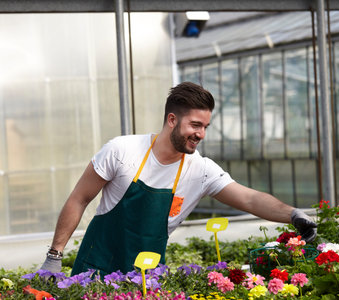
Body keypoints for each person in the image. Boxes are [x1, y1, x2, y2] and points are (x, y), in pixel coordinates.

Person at [40, 82, 317, 276]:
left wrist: (292, 214)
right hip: (95, 270)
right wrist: (55, 256)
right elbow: (79, 199)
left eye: (205, 127)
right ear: (172, 120)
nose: (201, 134)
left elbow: (249, 198)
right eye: (195, 125)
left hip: (144, 279)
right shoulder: (122, 151)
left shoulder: (200, 170)